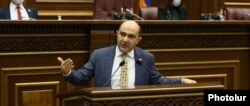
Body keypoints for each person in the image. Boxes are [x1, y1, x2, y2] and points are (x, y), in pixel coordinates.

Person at [57, 20, 196, 88]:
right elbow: (81, 77)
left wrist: (181, 80)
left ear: (138, 40)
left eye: (130, 36)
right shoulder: (99, 55)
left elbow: (158, 81)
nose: (125, 40)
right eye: (122, 34)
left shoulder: (146, 58)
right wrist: (68, 72)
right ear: (116, 35)